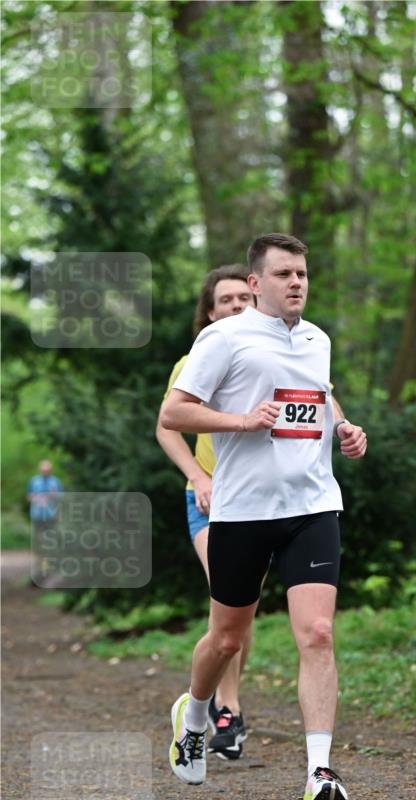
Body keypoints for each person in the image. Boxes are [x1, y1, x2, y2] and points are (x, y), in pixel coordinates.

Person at [160, 233, 367, 800]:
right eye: (283, 274)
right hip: (242, 510)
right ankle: (194, 714)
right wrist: (241, 421)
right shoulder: (222, 337)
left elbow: (320, 400)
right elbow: (173, 413)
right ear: (255, 284)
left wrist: (346, 430)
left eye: (301, 272)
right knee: (227, 638)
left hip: (312, 507)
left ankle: (319, 773)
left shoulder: (316, 338)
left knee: (318, 634)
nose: (296, 282)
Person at [156, 264, 254, 760]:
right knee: (228, 592)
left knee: (243, 606)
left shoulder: (273, 359)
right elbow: (167, 426)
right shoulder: (194, 361)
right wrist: (197, 476)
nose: (238, 307)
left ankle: (227, 706)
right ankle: (225, 710)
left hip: (261, 499)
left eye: (245, 298)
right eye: (227, 301)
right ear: (211, 312)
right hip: (211, 500)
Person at [26, 459, 64, 582]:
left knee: (50, 543)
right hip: (37, 516)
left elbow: (61, 498)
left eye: (47, 470)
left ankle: (50, 570)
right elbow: (29, 496)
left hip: (51, 516)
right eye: (43, 470)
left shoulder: (55, 482)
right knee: (39, 543)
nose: (45, 472)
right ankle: (39, 571)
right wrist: (36, 499)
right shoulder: (34, 481)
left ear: (51, 471)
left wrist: (53, 496)